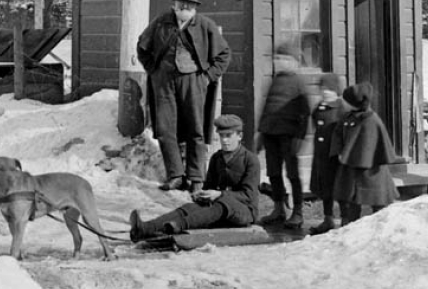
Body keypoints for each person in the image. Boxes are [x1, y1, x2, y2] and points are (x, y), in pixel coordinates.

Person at [137, 0, 231, 194]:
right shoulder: (161, 23)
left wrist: (207, 77)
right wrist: (153, 70)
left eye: (188, 6)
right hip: (164, 81)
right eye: (180, 5)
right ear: (174, 5)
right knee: (165, 128)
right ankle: (175, 175)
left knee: (196, 128)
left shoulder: (205, 25)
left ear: (195, 8)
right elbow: (142, 46)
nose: (184, 10)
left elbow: (224, 55)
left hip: (193, 81)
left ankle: (196, 177)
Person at [129, 114, 259, 241]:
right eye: (222, 136)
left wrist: (220, 194)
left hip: (244, 212)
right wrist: (202, 194)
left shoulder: (250, 160)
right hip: (218, 208)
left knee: (222, 204)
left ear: (240, 136)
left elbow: (249, 195)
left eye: (229, 136)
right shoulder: (217, 158)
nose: (224, 140)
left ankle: (178, 226)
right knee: (189, 208)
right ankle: (145, 228)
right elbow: (210, 187)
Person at [256, 44, 310, 229]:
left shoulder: (298, 83)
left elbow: (305, 113)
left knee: (292, 174)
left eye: (284, 59)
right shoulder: (275, 80)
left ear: (294, 62)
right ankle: (279, 209)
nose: (279, 62)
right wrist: (261, 134)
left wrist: (299, 138)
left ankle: (297, 212)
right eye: (277, 59)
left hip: (289, 136)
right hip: (271, 134)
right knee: (273, 173)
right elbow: (268, 108)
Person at [331, 82, 400, 225]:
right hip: (351, 167)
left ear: (353, 103)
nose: (342, 102)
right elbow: (338, 134)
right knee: (351, 200)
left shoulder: (371, 121)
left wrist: (356, 157)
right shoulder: (348, 117)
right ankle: (349, 226)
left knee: (378, 202)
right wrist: (339, 151)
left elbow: (369, 146)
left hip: (372, 170)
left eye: (345, 100)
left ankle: (382, 228)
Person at [308, 73, 346, 235]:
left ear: (336, 91)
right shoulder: (319, 109)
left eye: (329, 89)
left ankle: (345, 218)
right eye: (322, 89)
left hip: (336, 156)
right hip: (322, 155)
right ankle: (328, 218)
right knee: (325, 187)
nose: (325, 92)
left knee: (340, 187)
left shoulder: (342, 109)